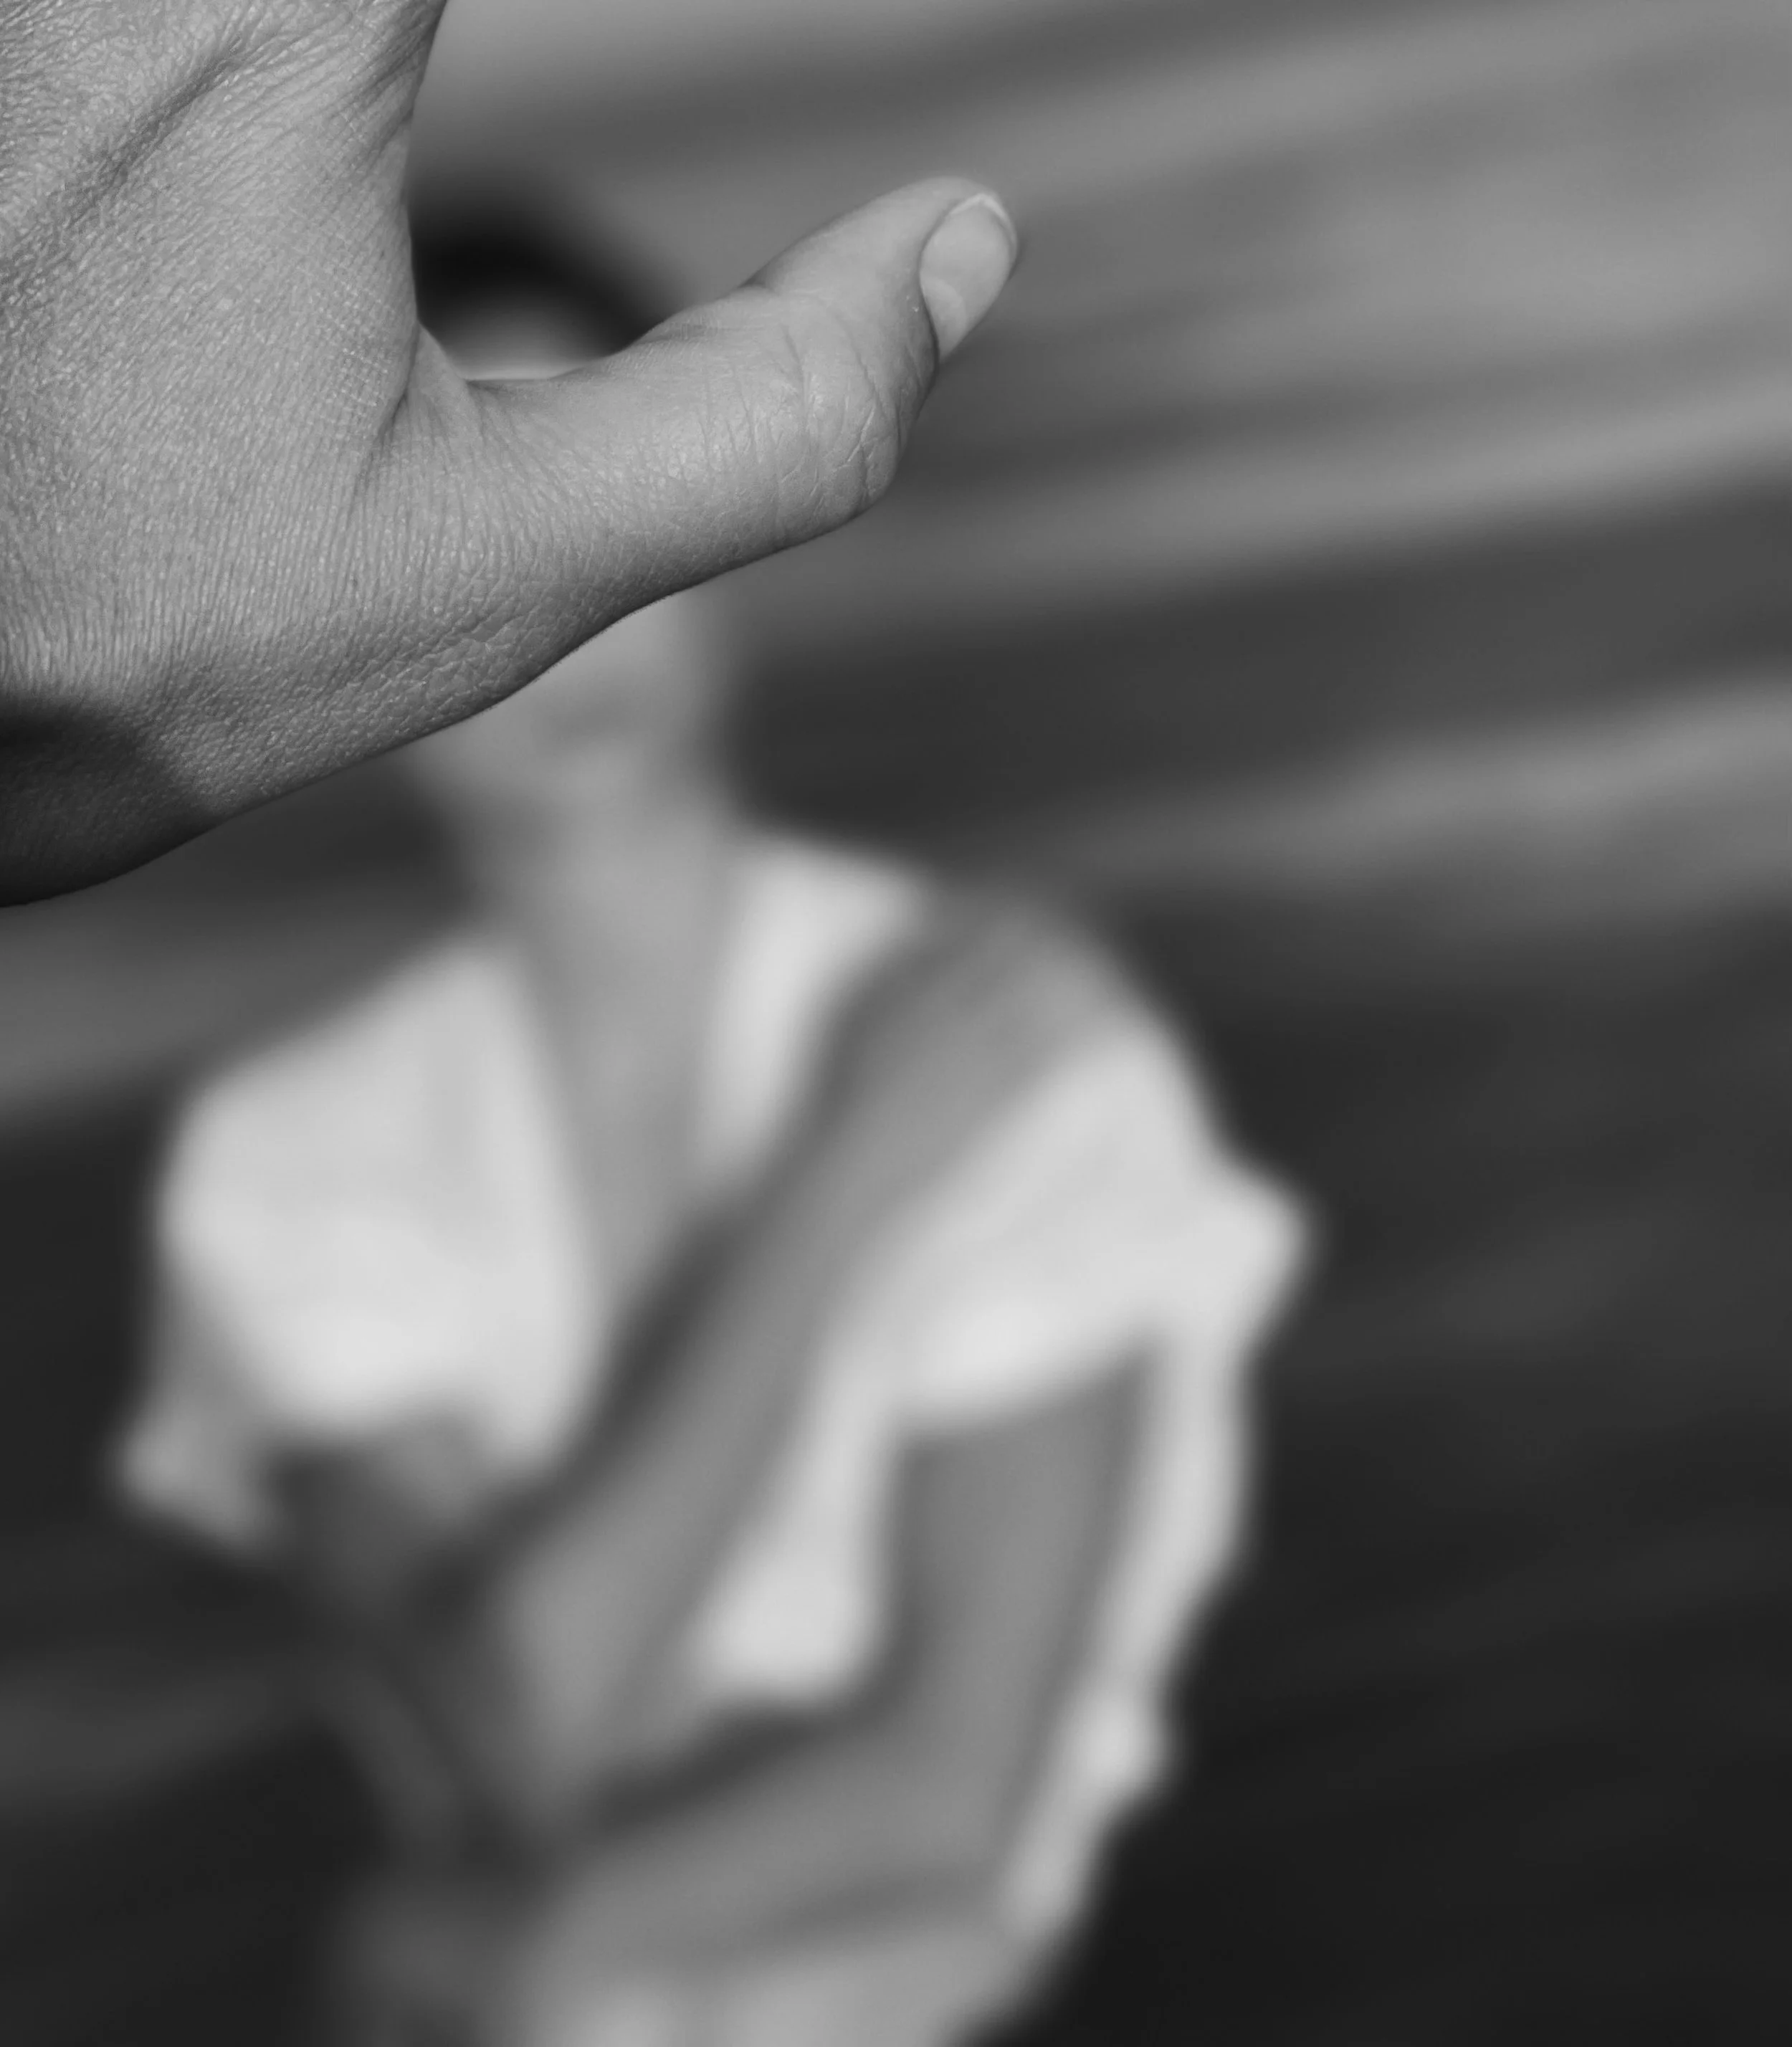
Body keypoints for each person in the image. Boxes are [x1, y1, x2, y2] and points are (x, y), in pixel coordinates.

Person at [113, 214, 1304, 2047]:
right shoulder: (288, 1160)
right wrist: (830, 1190)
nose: (569, 609)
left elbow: (949, 1802)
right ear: (333, 640)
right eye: (460, 540)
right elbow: (512, 1726)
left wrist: (519, 1963)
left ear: (733, 532)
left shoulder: (1011, 1028)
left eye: (620, 504)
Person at [0, 1, 1018, 902]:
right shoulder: (297, 1083)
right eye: (435, 534)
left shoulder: (1006, 1010)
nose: (566, 649)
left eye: (629, 535)